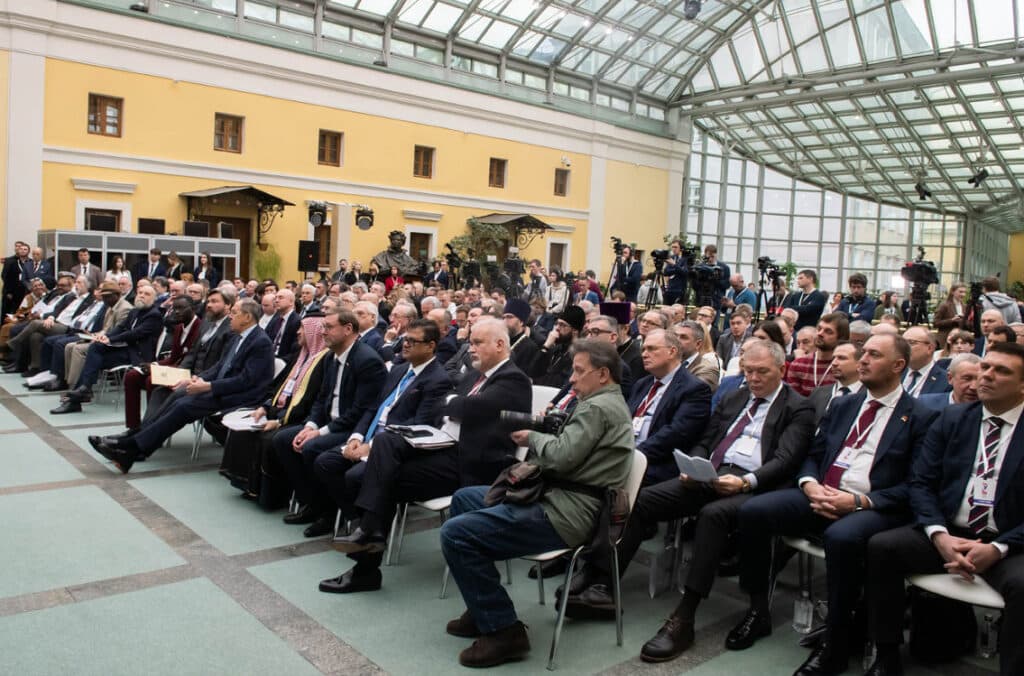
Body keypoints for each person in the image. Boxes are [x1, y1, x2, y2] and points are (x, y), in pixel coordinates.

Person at [569, 340, 816, 663]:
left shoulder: (798, 407)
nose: (753, 378)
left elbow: (785, 460)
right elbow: (705, 441)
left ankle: (684, 617)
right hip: (712, 476)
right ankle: (605, 583)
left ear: (782, 370)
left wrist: (745, 481)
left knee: (713, 516)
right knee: (638, 500)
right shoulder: (734, 396)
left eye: (762, 372)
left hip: (757, 485)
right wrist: (694, 465)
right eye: (748, 371)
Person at [726, 333, 937, 676]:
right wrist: (810, 485)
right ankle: (757, 610)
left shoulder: (920, 416)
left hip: (873, 505)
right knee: (754, 511)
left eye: (874, 355)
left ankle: (835, 644)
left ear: (898, 365)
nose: (863, 360)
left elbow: (915, 484)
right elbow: (815, 454)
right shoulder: (844, 405)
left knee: (842, 537)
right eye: (863, 353)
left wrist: (857, 501)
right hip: (821, 491)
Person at [438, 339, 634, 667]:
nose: (571, 378)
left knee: (455, 534)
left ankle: (504, 632)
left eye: (579, 371)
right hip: (560, 499)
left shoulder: (597, 407)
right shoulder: (601, 403)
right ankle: (483, 606)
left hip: (566, 513)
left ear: (603, 374)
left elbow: (561, 457)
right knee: (465, 499)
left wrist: (533, 437)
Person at [327, 318, 532, 593]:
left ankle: (367, 557)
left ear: (499, 344)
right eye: (470, 342)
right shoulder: (475, 375)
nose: (470, 348)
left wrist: (454, 404)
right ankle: (369, 538)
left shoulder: (514, 379)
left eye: (477, 343)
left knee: (378, 477)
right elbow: (442, 406)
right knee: (384, 447)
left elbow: (464, 407)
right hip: (443, 448)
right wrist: (455, 404)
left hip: (473, 464)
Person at [865, 341, 1024, 676]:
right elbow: (921, 483)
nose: (986, 376)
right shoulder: (953, 418)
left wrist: (998, 548)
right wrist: (938, 535)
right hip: (949, 531)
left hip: (1009, 541)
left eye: (1001, 371)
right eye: (985, 367)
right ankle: (886, 654)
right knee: (882, 548)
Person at [91, 298, 275, 472]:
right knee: (180, 400)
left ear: (247, 317)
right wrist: (196, 379)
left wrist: (208, 386)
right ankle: (132, 449)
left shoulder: (260, 342)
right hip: (224, 389)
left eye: (234, 313)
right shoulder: (238, 337)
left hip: (242, 396)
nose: (230, 316)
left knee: (184, 406)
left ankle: (130, 447)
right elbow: (220, 367)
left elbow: (246, 381)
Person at [311, 318, 453, 541]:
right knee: (324, 463)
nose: (405, 344)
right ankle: (356, 519)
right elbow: (374, 407)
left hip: (394, 448)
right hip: (369, 438)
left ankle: (369, 531)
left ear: (430, 346)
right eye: (405, 339)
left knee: (354, 476)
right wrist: (357, 436)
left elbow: (418, 425)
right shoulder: (398, 370)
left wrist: (371, 446)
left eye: (413, 341)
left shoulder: (437, 380)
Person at [276, 309, 387, 527]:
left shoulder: (367, 361)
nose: (323, 332)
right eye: (322, 327)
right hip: (329, 423)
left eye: (328, 327)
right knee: (283, 440)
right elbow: (322, 398)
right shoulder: (330, 356)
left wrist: (320, 432)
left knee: (312, 448)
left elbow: (360, 410)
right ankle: (310, 502)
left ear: (348, 329)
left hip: (352, 429)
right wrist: (310, 426)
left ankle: (327, 512)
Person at [220, 314, 329, 503]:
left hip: (297, 416)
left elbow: (311, 401)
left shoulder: (323, 362)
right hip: (278, 409)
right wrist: (265, 406)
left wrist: (279, 421)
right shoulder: (300, 355)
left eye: (302, 329)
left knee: (268, 438)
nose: (297, 332)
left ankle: (270, 495)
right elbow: (278, 386)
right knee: (245, 428)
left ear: (314, 333)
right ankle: (246, 484)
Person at [51, 284, 163, 414]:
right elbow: (121, 327)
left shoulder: (154, 315)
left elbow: (134, 334)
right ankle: (83, 390)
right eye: (140, 293)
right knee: (95, 348)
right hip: (126, 351)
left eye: (147, 294)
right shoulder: (135, 311)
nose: (142, 296)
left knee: (91, 360)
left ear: (154, 299)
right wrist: (106, 337)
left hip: (138, 356)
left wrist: (111, 340)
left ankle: (78, 396)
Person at [629, 329, 712, 484]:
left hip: (657, 463)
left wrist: (633, 455)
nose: (644, 354)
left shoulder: (694, 389)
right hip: (627, 452)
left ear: (672, 352)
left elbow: (676, 434)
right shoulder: (642, 384)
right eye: (643, 349)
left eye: (651, 349)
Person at [120, 296, 200, 432]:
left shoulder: (199, 328)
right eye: (174, 308)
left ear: (193, 309)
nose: (176, 312)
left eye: (181, 308)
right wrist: (154, 365)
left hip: (189, 373)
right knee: (132, 376)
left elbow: (190, 362)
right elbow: (173, 358)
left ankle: (151, 425)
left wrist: (157, 370)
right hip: (175, 368)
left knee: (152, 379)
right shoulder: (179, 328)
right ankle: (133, 426)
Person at [784, 313, 849, 396]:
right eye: (819, 329)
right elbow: (793, 400)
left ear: (841, 338)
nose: (820, 333)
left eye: (828, 331)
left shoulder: (844, 367)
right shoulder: (798, 365)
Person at [806, 342, 862, 420]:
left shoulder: (869, 395)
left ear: (859, 364)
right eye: (833, 358)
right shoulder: (818, 393)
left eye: (842, 358)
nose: (834, 363)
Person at [531, 305, 584, 387]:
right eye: (557, 324)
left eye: (562, 325)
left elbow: (562, 382)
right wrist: (546, 346)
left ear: (575, 331)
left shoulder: (579, 355)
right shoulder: (556, 348)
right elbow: (533, 371)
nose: (557, 328)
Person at [917, 352, 981, 412]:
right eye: (967, 379)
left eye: (979, 379)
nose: (974, 387)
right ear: (950, 378)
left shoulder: (985, 410)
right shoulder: (926, 404)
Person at [901, 325, 950, 397]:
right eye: (902, 343)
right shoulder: (894, 374)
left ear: (930, 348)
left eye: (911, 343)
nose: (904, 347)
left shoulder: (946, 381)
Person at [674, 320, 720, 391]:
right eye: (675, 336)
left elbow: (692, 392)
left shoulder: (708, 369)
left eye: (683, 337)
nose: (677, 341)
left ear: (698, 344)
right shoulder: (668, 362)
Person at [502, 298, 539, 374]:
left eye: (509, 317)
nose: (504, 321)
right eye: (503, 317)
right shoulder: (501, 340)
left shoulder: (529, 347)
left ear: (521, 321)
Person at [265, 288, 300, 360]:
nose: (276, 300)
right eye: (276, 298)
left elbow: (295, 351)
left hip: (283, 360)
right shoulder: (275, 320)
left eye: (280, 298)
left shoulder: (297, 321)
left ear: (291, 302)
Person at [1, 241, 30, 317]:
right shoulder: (10, 261)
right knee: (8, 313)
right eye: (17, 247)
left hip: (25, 291)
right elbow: (5, 276)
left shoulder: (30, 262)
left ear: (28, 251)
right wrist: (8, 291)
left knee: (23, 313)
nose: (21, 250)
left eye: (24, 249)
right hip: (11, 292)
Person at [662, 239, 689, 306]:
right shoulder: (672, 257)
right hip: (670, 289)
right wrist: (677, 269)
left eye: (676, 247)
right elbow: (666, 272)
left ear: (681, 248)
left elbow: (685, 272)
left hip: (680, 290)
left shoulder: (685, 259)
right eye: (672, 247)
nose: (673, 249)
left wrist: (674, 265)